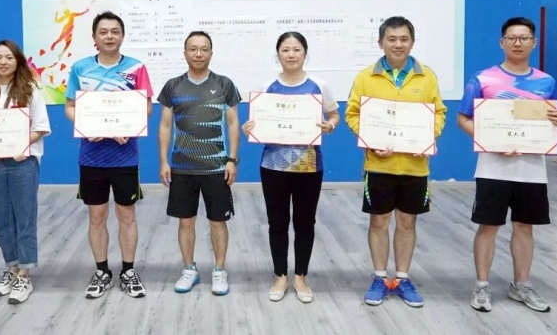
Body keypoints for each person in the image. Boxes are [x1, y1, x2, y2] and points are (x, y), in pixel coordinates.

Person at [457, 17, 557, 313]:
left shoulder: (546, 82)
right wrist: (490, 140)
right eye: (512, 38)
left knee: (524, 226)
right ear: (502, 42)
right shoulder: (483, 79)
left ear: (534, 42)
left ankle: (521, 285)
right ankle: (482, 285)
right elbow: (463, 118)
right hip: (492, 166)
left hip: (532, 168)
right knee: (489, 226)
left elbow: (551, 119)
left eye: (524, 38)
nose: (518, 43)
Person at [345, 16, 446, 308]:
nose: (398, 44)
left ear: (412, 42)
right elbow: (353, 113)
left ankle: (402, 279)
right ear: (381, 43)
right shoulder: (366, 77)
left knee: (407, 221)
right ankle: (379, 277)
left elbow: (439, 112)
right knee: (378, 221)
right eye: (392, 39)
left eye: (403, 39)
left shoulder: (426, 76)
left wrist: (427, 137)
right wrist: (371, 139)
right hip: (378, 165)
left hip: (415, 166)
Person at [241, 32, 340, 303]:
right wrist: (250, 127)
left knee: (305, 222)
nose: (291, 54)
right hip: (273, 165)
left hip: (309, 165)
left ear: (305, 53)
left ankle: (301, 277)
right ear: (278, 54)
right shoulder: (268, 85)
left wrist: (330, 125)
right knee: (277, 222)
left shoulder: (319, 84)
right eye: (285, 50)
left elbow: (334, 114)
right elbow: (258, 120)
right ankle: (280, 276)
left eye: (297, 49)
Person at [64, 11, 153, 299]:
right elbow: (70, 107)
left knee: (127, 215)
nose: (109, 36)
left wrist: (130, 127)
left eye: (115, 31)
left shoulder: (136, 67)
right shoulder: (80, 68)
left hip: (126, 158)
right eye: (103, 32)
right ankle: (102, 271)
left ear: (122, 36)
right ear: (94, 37)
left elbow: (146, 107)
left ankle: (128, 271)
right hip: (91, 157)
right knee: (96, 216)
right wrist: (85, 126)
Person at [158, 31, 241, 296]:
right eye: (193, 49)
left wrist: (232, 160)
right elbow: (165, 125)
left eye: (204, 49)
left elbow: (233, 123)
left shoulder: (224, 84)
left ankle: (219, 270)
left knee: (218, 222)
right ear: (185, 53)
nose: (198, 53)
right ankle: (189, 269)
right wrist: (164, 161)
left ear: (211, 53)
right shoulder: (173, 86)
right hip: (182, 167)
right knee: (186, 222)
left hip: (216, 167)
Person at [0, 40, 51, 304]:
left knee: (25, 218)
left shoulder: (30, 90)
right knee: (2, 219)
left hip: (22, 163)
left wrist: (21, 144)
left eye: (8, 57)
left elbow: (41, 127)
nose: (3, 62)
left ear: (18, 61)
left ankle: (25, 274)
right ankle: (12, 268)